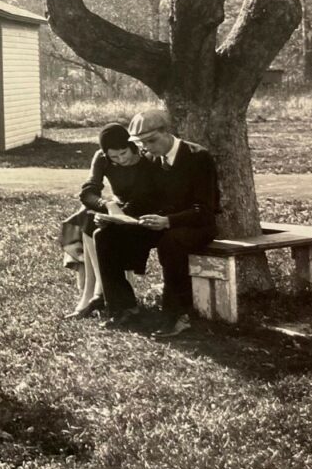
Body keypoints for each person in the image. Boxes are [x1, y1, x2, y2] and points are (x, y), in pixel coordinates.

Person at [94, 109, 220, 337]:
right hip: (159, 222)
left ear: (167, 132)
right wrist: (117, 218)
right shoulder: (151, 159)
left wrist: (169, 221)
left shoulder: (197, 156)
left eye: (151, 141)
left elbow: (205, 209)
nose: (147, 147)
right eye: (141, 143)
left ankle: (176, 316)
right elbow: (144, 199)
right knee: (105, 236)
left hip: (196, 226)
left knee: (171, 243)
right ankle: (123, 308)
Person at [60, 123, 156, 319]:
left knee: (92, 222)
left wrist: (117, 213)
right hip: (118, 209)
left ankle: (96, 295)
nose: (121, 159)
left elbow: (144, 199)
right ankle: (96, 293)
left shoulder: (147, 160)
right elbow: (87, 193)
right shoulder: (102, 158)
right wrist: (108, 206)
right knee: (87, 216)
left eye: (124, 153)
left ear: (133, 146)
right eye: (114, 157)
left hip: (142, 213)